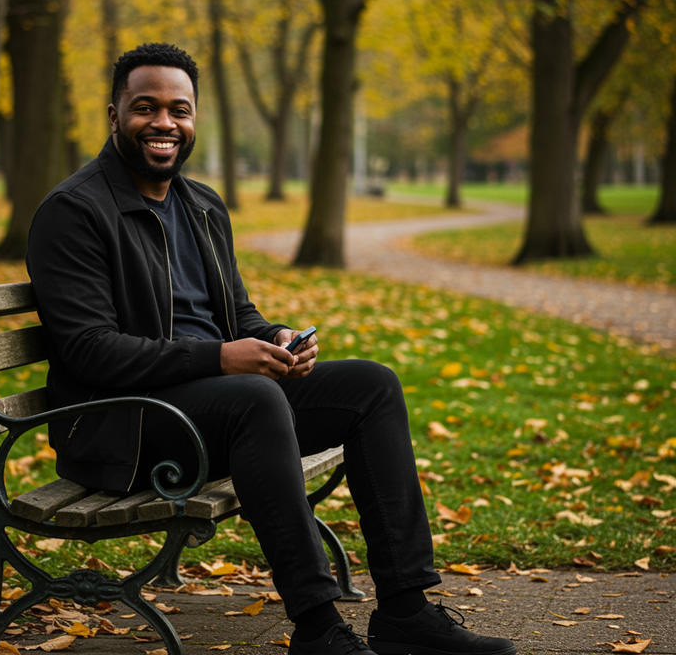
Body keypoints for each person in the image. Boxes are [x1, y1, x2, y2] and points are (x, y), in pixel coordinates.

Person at [26, 43, 516, 655]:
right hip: (124, 426)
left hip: (217, 405)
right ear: (114, 115)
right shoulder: (74, 211)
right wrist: (223, 358)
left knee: (371, 385)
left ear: (194, 118)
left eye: (179, 109)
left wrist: (275, 338)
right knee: (256, 398)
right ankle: (316, 627)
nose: (164, 123)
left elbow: (237, 315)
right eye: (144, 107)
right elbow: (91, 352)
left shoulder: (201, 205)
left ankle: (405, 610)